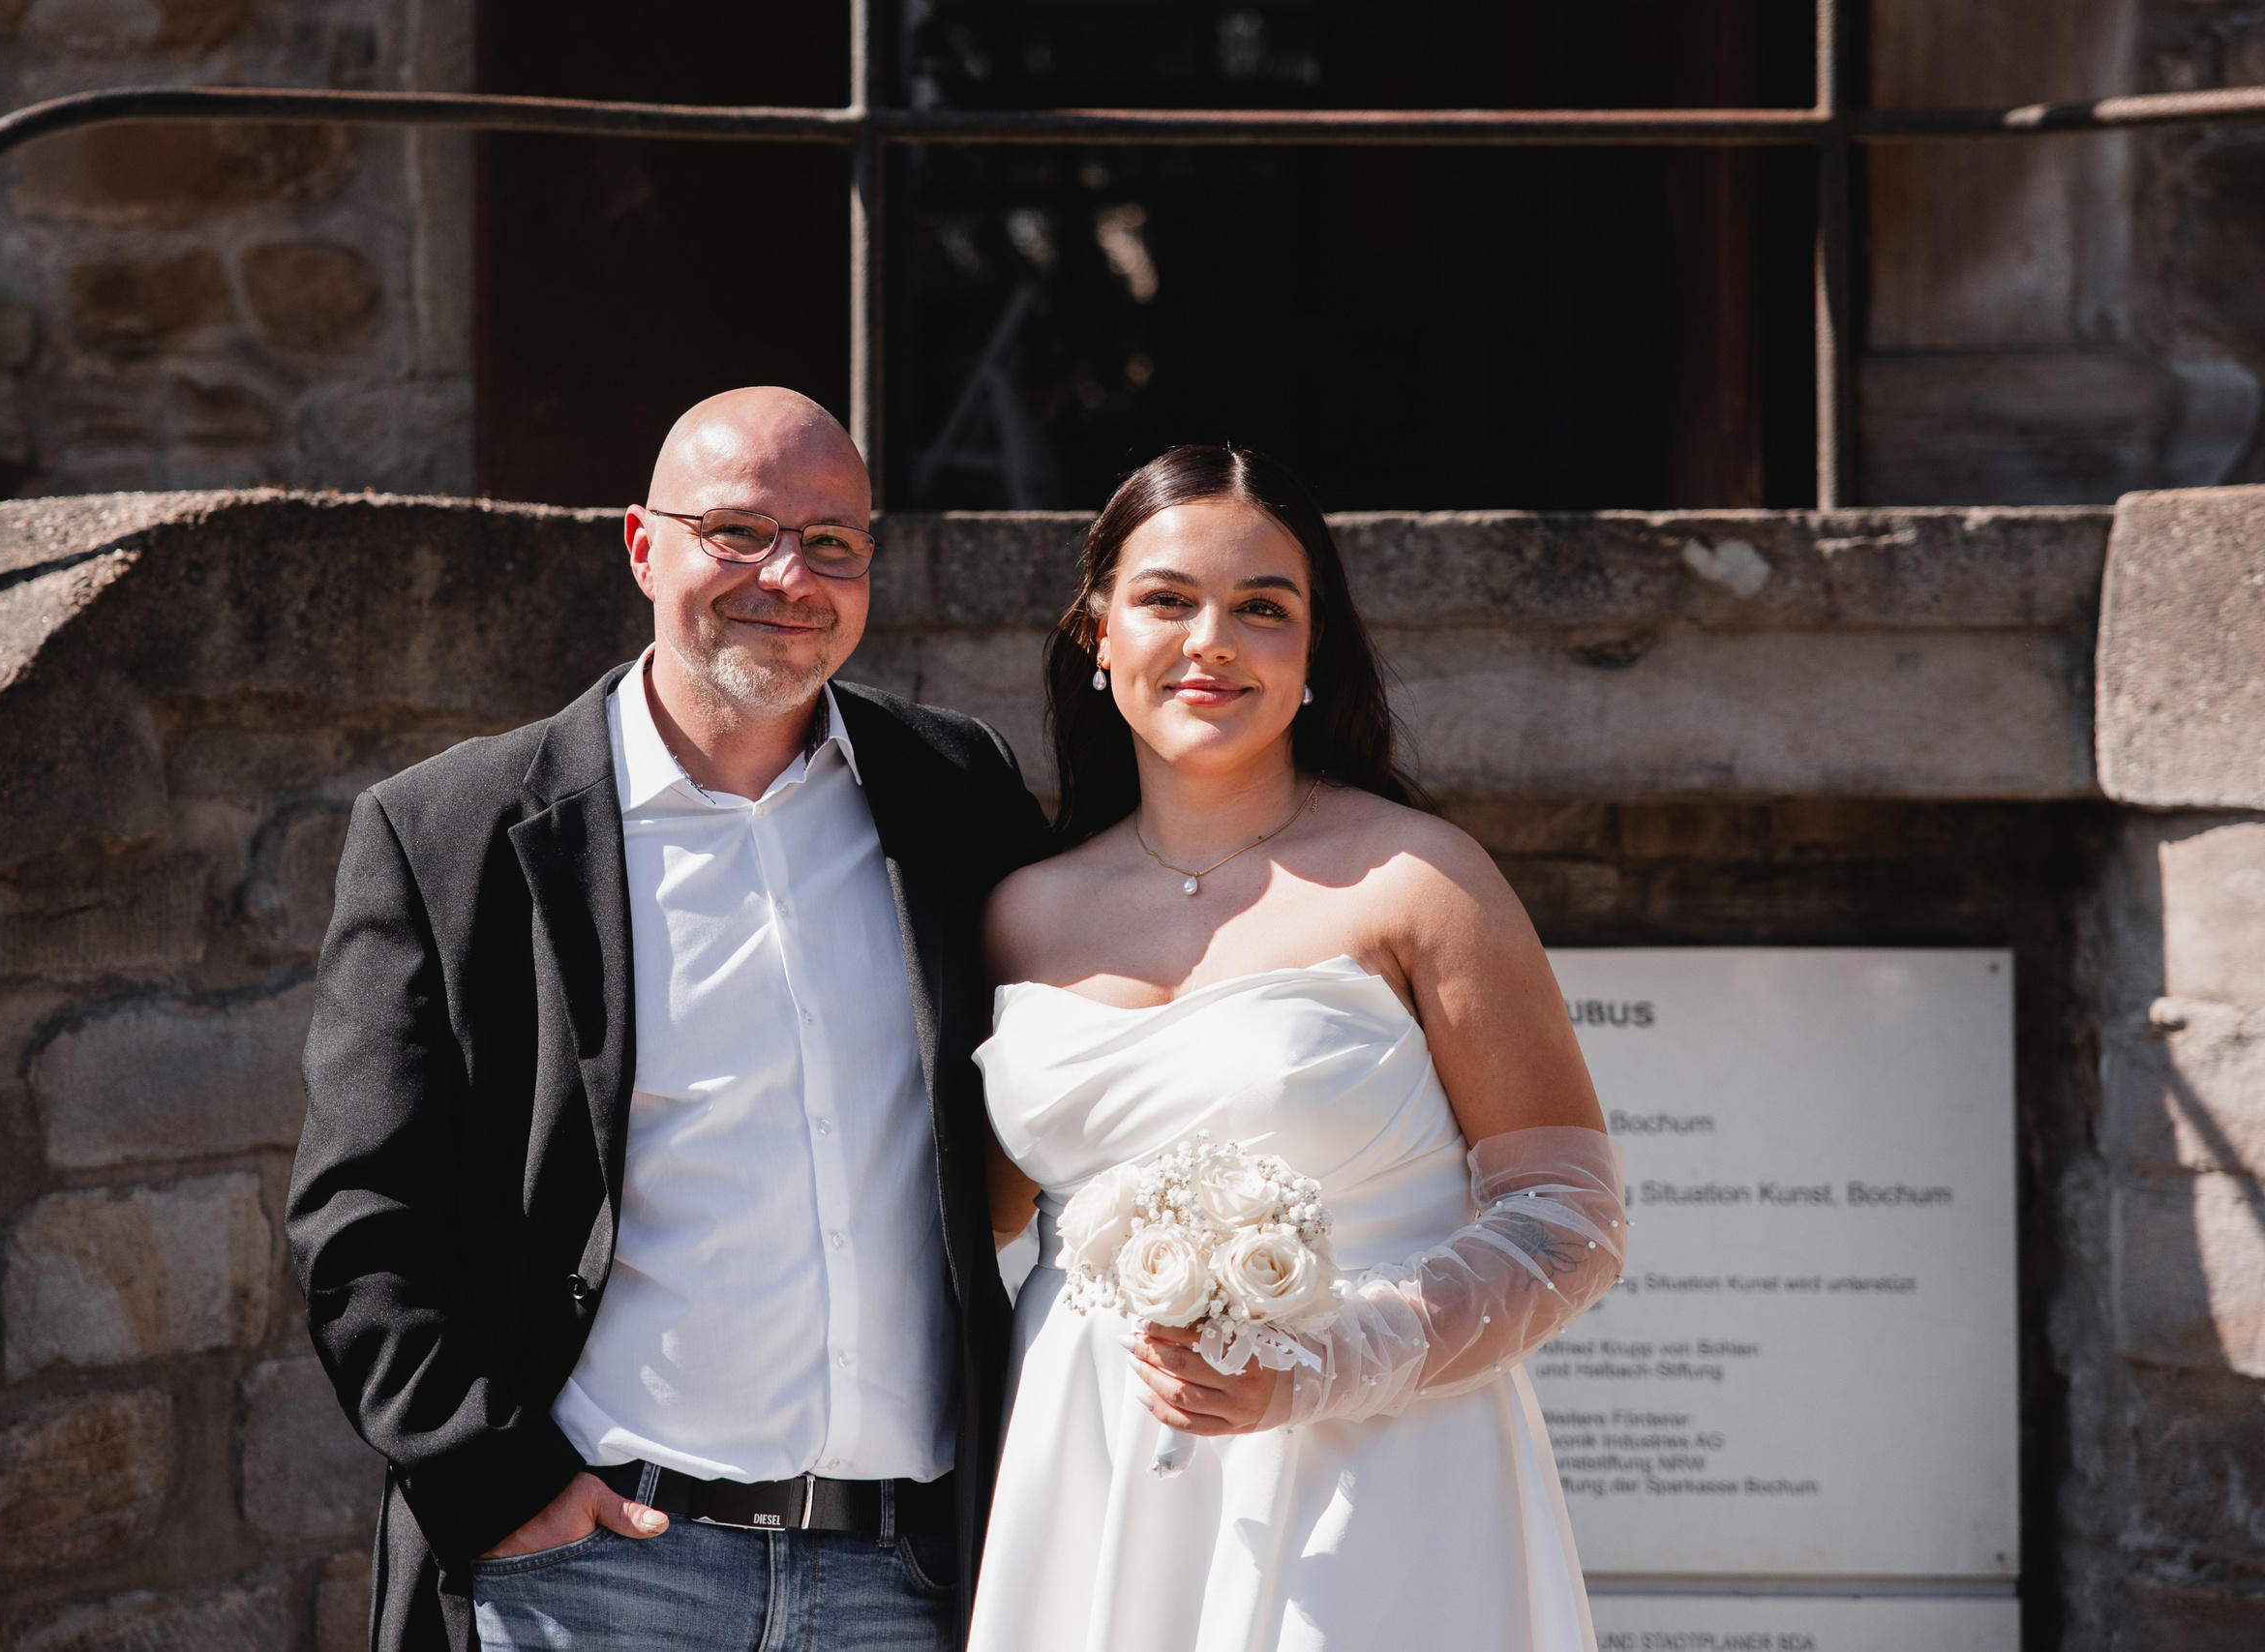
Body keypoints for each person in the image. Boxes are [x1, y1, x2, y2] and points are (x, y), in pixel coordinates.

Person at [288, 387, 1048, 1652]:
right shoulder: (452, 833)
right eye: (738, 530)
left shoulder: (957, 795)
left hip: (907, 1581)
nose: (787, 575)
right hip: (596, 1575)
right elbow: (361, 1217)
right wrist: (499, 1482)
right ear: (643, 544)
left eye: (832, 542)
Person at [969, 445, 1628, 1651]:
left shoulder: (1418, 883)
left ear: (1311, 653)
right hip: (1091, 1460)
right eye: (1167, 599)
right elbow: (988, 1222)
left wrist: (1327, 1364)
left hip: (1375, 1470)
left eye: (1261, 609)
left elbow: (1568, 1217)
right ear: (1097, 631)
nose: (1211, 640)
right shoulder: (1019, 915)